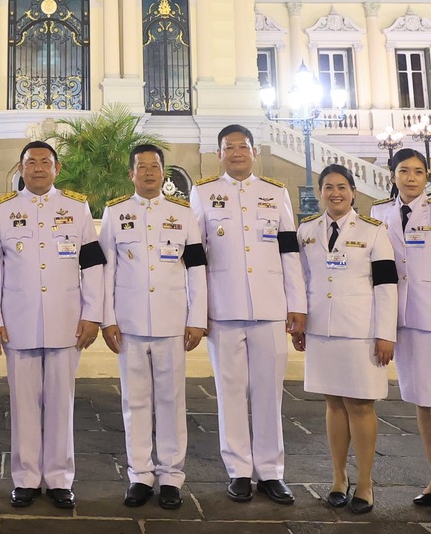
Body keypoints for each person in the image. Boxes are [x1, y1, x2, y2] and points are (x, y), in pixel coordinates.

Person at [0, 140, 104, 509]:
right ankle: (27, 478)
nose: (37, 168)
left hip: (66, 319)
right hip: (18, 319)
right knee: (23, 402)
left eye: (45, 162)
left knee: (61, 400)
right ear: (20, 169)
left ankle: (60, 478)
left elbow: (93, 265)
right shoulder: (2, 210)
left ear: (57, 169)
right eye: (30, 162)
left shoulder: (76, 207)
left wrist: (92, 313)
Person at [195, 124, 305, 504]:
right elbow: (196, 257)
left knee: (269, 392)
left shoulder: (275, 193)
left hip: (270, 307)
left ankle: (271, 471)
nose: (237, 153)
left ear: (255, 153)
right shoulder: (204, 193)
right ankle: (239, 469)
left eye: (243, 147)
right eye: (229, 147)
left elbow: (290, 252)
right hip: (223, 308)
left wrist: (297, 306)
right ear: (219, 153)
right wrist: (199, 311)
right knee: (229, 393)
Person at [99, 144, 206, 509]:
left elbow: (196, 268)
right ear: (131, 174)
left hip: (172, 319)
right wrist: (107, 318)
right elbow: (106, 271)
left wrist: (197, 318)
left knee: (172, 400)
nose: (148, 173)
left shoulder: (184, 214)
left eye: (155, 167)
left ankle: (172, 475)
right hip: (128, 322)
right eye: (141, 167)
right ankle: (140, 474)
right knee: (135, 400)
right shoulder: (115, 214)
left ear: (164, 173)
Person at [370, 147, 431, 519]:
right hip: (400, 318)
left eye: (418, 172)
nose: (411, 178)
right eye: (403, 171)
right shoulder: (379, 213)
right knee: (421, 402)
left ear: (428, 176)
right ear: (392, 174)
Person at [293, 164, 395, 513]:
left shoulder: (373, 231)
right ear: (320, 192)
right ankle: (339, 477)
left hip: (360, 331)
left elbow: (386, 285)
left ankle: (365, 482)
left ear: (353, 191)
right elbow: (301, 281)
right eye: (327, 187)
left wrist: (386, 333)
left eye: (341, 187)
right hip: (322, 329)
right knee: (334, 405)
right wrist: (299, 324)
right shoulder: (306, 230)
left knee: (360, 405)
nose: (335, 193)